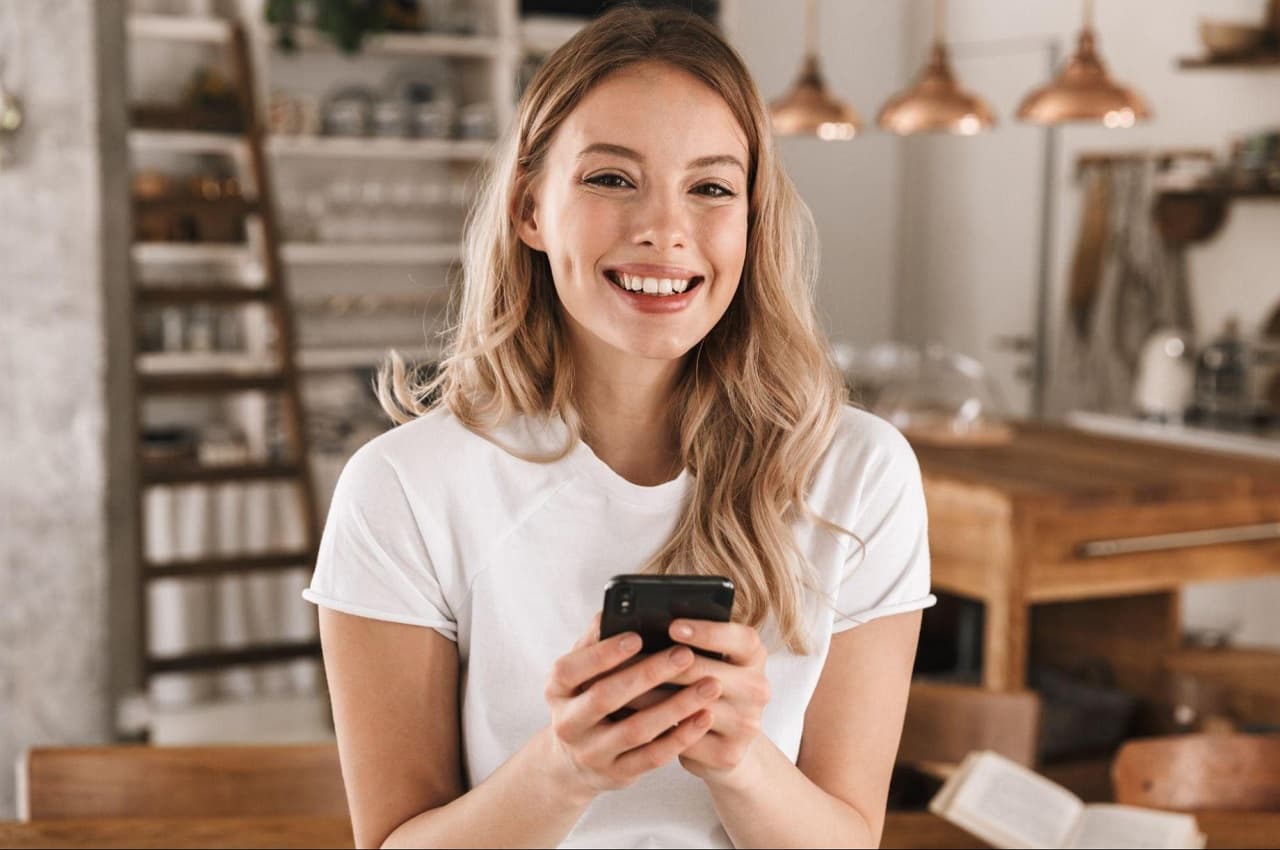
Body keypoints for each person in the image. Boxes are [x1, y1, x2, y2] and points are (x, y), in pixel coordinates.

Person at [303, 5, 935, 848]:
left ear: (752, 219)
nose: (664, 230)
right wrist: (564, 773)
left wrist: (741, 762)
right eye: (610, 178)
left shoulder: (861, 474)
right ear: (530, 208)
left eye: (711, 187)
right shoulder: (404, 488)